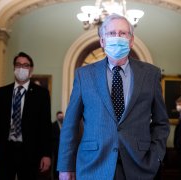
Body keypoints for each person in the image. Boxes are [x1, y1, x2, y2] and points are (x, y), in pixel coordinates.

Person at [57, 14, 170, 180]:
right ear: (102, 41)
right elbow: (70, 124)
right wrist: (66, 167)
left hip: (139, 166)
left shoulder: (150, 74)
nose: (117, 37)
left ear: (131, 40)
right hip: (93, 166)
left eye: (123, 33)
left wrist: (156, 156)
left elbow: (161, 123)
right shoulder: (84, 75)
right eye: (111, 33)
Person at [0, 52, 52, 180]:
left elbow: (45, 126)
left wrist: (46, 154)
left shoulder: (41, 94)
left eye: (25, 65)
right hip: (5, 152)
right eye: (18, 65)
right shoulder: (2, 93)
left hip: (30, 153)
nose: (21, 68)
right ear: (14, 68)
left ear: (31, 69)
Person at [51, 111, 64, 180]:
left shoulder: (65, 125)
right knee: (55, 163)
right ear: (57, 117)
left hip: (63, 149)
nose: (61, 117)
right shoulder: (53, 125)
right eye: (59, 116)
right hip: (56, 148)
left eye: (62, 116)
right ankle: (55, 177)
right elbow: (52, 137)